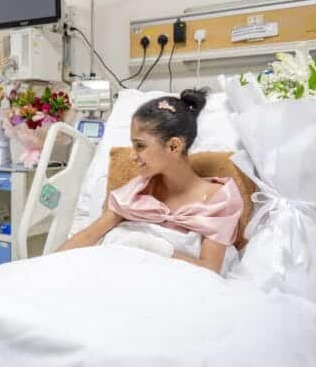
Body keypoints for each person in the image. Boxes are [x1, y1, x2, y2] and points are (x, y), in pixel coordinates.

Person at [58, 89, 243, 274]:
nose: (132, 155)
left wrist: (153, 248)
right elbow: (88, 236)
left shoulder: (218, 199)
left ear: (174, 146)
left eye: (140, 146)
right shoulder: (135, 192)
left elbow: (209, 270)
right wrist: (48, 268)